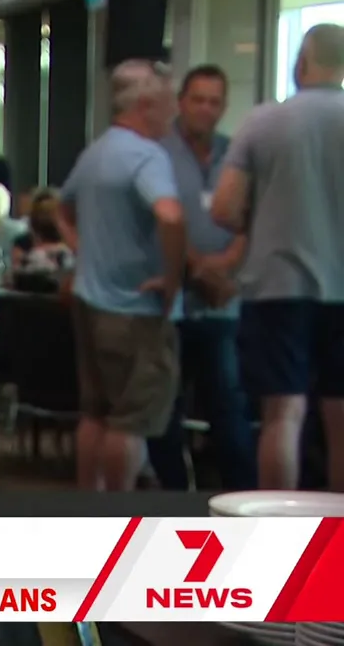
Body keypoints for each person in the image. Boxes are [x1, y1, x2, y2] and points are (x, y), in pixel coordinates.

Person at [212, 24, 344, 491]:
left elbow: (225, 208)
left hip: (278, 286)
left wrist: (266, 216)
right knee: (340, 419)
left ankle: (277, 533)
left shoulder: (265, 122)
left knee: (282, 415)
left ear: (301, 63)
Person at [58, 60, 186, 492]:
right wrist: (172, 278)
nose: (174, 115)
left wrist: (83, 248)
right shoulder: (148, 156)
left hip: (89, 302)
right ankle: (119, 512)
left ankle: (86, 507)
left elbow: (61, 206)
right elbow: (169, 216)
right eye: (169, 105)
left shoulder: (97, 151)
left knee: (95, 412)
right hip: (134, 309)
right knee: (131, 420)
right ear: (146, 105)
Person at [146, 64, 255, 492]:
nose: (206, 109)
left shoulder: (238, 154)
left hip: (224, 302)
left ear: (224, 106)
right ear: (181, 102)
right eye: (198, 99)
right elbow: (160, 220)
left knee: (228, 406)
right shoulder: (157, 151)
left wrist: (223, 267)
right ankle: (175, 499)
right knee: (166, 410)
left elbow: (251, 218)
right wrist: (197, 268)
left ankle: (241, 500)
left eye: (215, 101)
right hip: (172, 302)